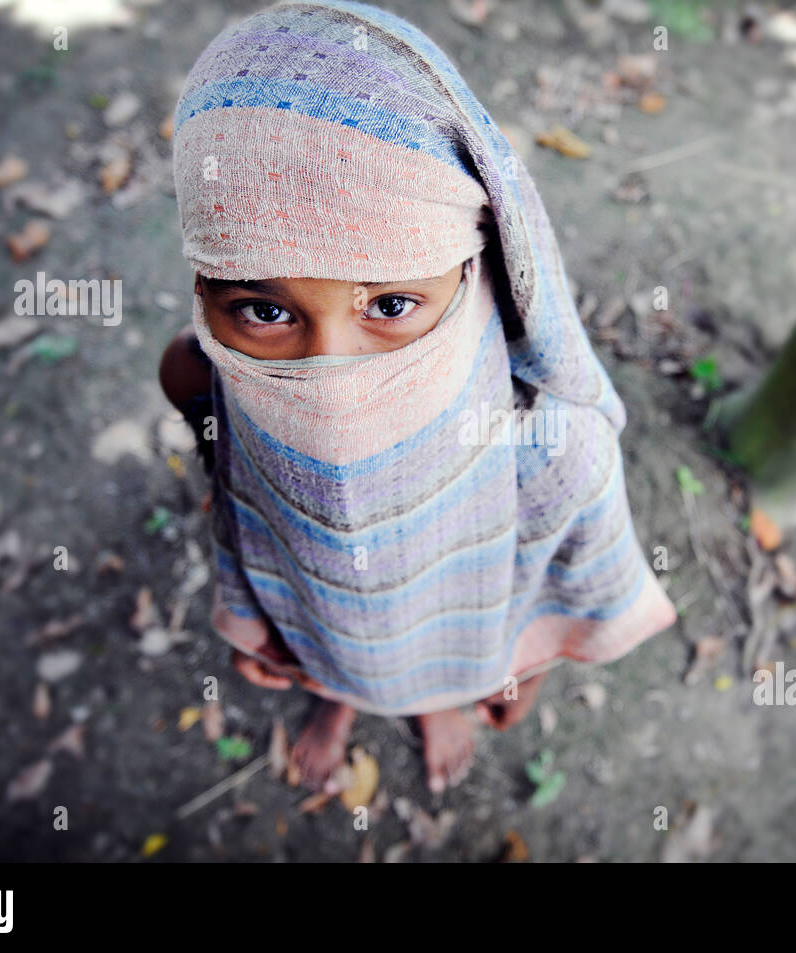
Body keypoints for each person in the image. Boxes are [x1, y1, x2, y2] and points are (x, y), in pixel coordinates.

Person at [160, 0, 677, 795]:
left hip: (460, 645)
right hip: (315, 634)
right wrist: (259, 628)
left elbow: (572, 585)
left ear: (477, 274)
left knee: (449, 672)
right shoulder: (210, 382)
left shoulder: (552, 449)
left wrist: (518, 676)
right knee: (326, 663)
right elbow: (237, 512)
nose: (334, 383)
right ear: (205, 288)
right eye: (266, 310)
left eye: (390, 305)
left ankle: (438, 703)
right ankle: (336, 703)